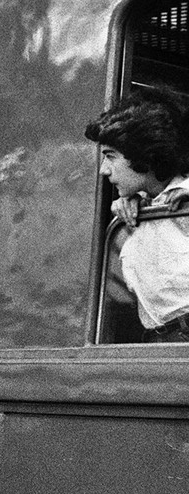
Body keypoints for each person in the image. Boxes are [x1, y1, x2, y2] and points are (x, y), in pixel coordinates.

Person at [85, 86, 189, 341]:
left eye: (111, 157)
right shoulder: (138, 210)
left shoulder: (182, 201)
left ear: (143, 154)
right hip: (159, 338)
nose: (104, 171)